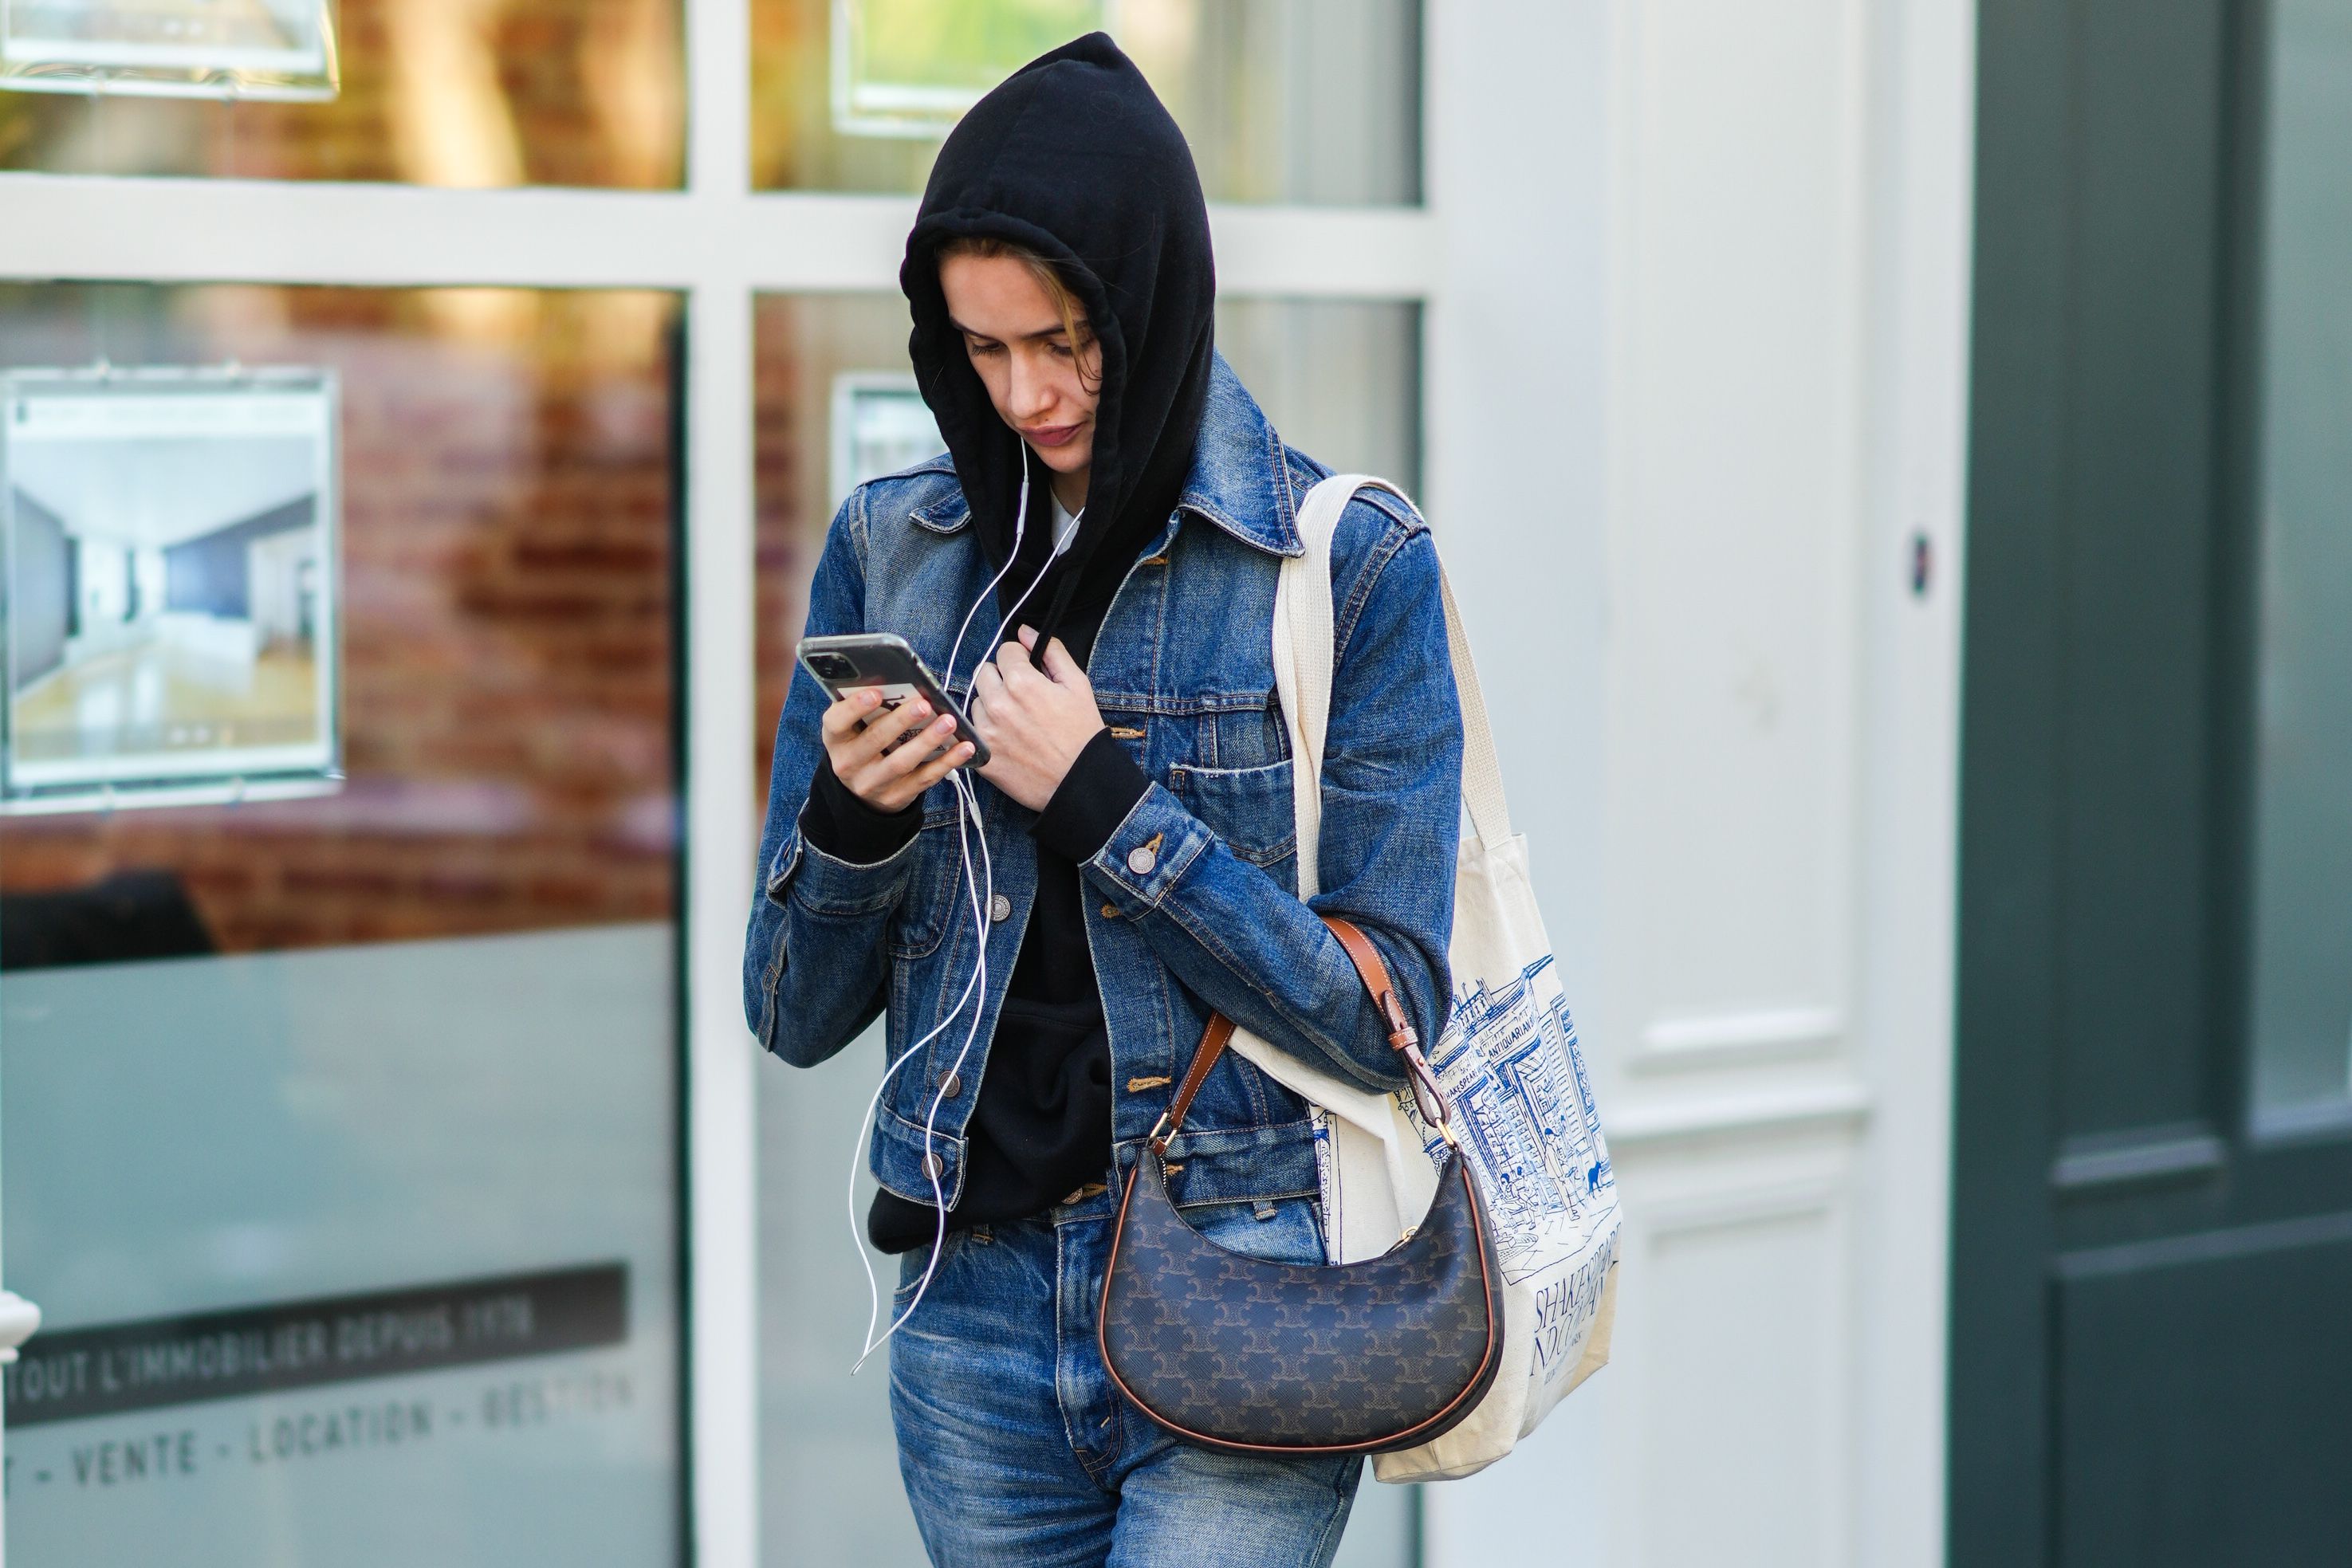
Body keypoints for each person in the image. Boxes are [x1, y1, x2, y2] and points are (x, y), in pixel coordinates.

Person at [743, 33, 1463, 1567]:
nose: (1030, 392)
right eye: (982, 350)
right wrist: (854, 826)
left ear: (1150, 300)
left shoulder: (1347, 568)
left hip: (1245, 1289)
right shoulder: (897, 553)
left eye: (1066, 339)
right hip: (971, 1310)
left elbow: (1389, 1013)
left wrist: (1103, 806)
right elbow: (792, 1015)